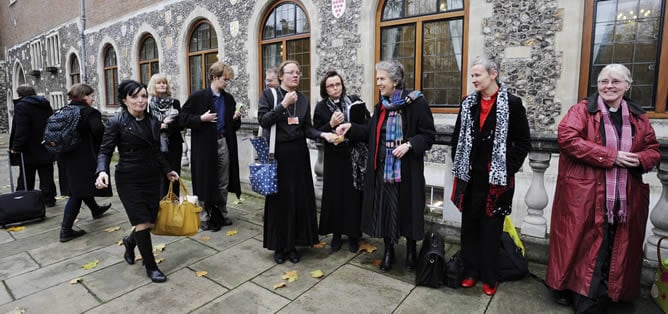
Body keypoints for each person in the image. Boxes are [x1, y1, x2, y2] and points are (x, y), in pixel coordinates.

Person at [545, 64, 660, 312]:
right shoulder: (582, 110)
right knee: (586, 245)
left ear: (627, 86)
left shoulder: (639, 118)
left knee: (618, 246)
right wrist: (610, 156)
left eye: (616, 81)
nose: (609, 85)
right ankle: (585, 297)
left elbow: (652, 149)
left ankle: (613, 293)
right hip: (586, 194)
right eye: (604, 81)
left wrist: (640, 159)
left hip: (625, 196)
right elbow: (567, 138)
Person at [336, 60, 436, 272]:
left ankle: (410, 251)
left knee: (408, 210)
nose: (378, 83)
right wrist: (350, 127)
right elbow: (370, 132)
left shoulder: (416, 103)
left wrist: (409, 144)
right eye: (378, 79)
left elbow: (428, 135)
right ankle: (389, 250)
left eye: (382, 78)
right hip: (383, 169)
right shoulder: (381, 106)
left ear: (395, 80)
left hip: (407, 170)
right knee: (387, 211)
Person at [450, 56, 531, 296]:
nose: (473, 79)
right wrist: (460, 160)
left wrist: (507, 168)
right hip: (470, 177)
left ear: (493, 74)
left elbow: (523, 142)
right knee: (470, 225)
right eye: (472, 75)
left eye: (477, 75)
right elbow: (457, 137)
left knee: (491, 227)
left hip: (497, 180)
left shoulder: (513, 104)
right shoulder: (467, 103)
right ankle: (471, 271)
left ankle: (489, 275)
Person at [95, 80, 179, 283]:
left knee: (150, 221)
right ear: (125, 100)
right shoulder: (116, 122)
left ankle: (129, 241)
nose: (140, 100)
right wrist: (101, 171)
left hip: (151, 177)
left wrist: (168, 170)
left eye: (143, 96)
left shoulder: (152, 121)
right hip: (128, 178)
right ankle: (151, 267)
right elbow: (105, 151)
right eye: (135, 96)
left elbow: (156, 151)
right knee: (142, 222)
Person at [258, 60, 338, 264]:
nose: (296, 75)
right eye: (291, 72)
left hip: (299, 154)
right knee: (279, 202)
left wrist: (324, 134)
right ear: (281, 76)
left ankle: (293, 245)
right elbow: (264, 121)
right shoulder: (270, 95)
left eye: (298, 72)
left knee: (297, 200)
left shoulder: (303, 99)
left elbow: (306, 129)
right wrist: (283, 105)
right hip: (278, 155)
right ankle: (279, 246)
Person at [179, 62, 241, 231]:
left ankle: (222, 212)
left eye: (228, 80)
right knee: (205, 180)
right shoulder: (199, 97)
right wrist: (200, 119)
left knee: (223, 180)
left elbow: (233, 127)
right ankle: (204, 216)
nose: (227, 83)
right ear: (214, 77)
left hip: (223, 143)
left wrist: (235, 118)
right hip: (204, 145)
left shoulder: (229, 99)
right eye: (225, 79)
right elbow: (182, 118)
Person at [313, 70, 370, 253]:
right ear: (325, 89)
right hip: (334, 158)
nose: (336, 88)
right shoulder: (321, 108)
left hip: (353, 157)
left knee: (353, 197)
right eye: (331, 85)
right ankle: (337, 234)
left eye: (338, 84)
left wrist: (351, 126)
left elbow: (367, 126)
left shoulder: (354, 100)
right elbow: (315, 134)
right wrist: (330, 125)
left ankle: (354, 235)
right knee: (335, 196)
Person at [58, 84, 112, 242]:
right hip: (83, 157)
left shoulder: (64, 110)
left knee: (79, 187)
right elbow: (99, 132)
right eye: (91, 95)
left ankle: (95, 209)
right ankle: (65, 230)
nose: (93, 98)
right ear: (84, 96)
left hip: (65, 156)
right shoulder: (90, 112)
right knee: (77, 193)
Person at [9, 85, 57, 207]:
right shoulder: (44, 103)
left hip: (29, 147)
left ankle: (24, 198)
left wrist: (16, 147)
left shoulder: (21, 106)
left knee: (26, 174)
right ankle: (49, 199)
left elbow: (21, 129)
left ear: (20, 95)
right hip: (45, 144)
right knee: (46, 173)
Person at [147, 73, 184, 197]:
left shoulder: (175, 103)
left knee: (175, 175)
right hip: (156, 145)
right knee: (159, 177)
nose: (162, 85)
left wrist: (167, 126)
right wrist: (161, 125)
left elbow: (181, 124)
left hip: (174, 144)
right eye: (159, 83)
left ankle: (174, 205)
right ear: (153, 85)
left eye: (164, 82)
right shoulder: (148, 104)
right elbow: (146, 125)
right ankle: (161, 207)